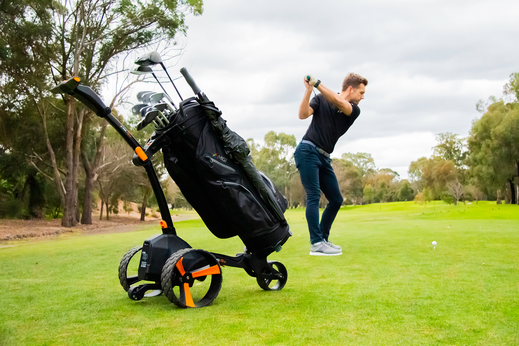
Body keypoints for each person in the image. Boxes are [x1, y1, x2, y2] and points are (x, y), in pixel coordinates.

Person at [294, 73, 368, 256]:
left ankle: (323, 239)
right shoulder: (320, 99)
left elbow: (338, 102)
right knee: (313, 196)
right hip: (308, 150)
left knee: (336, 199)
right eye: (361, 92)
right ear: (350, 89)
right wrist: (309, 90)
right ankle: (316, 243)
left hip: (324, 157)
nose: (363, 97)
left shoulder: (353, 109)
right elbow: (302, 115)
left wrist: (317, 84)